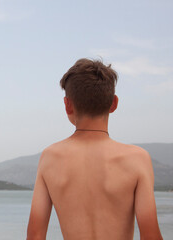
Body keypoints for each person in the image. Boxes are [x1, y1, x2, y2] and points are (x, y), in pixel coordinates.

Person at [26, 58, 163, 240]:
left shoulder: (50, 157)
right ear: (114, 103)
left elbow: (35, 235)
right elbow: (150, 236)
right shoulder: (137, 158)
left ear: (67, 105)